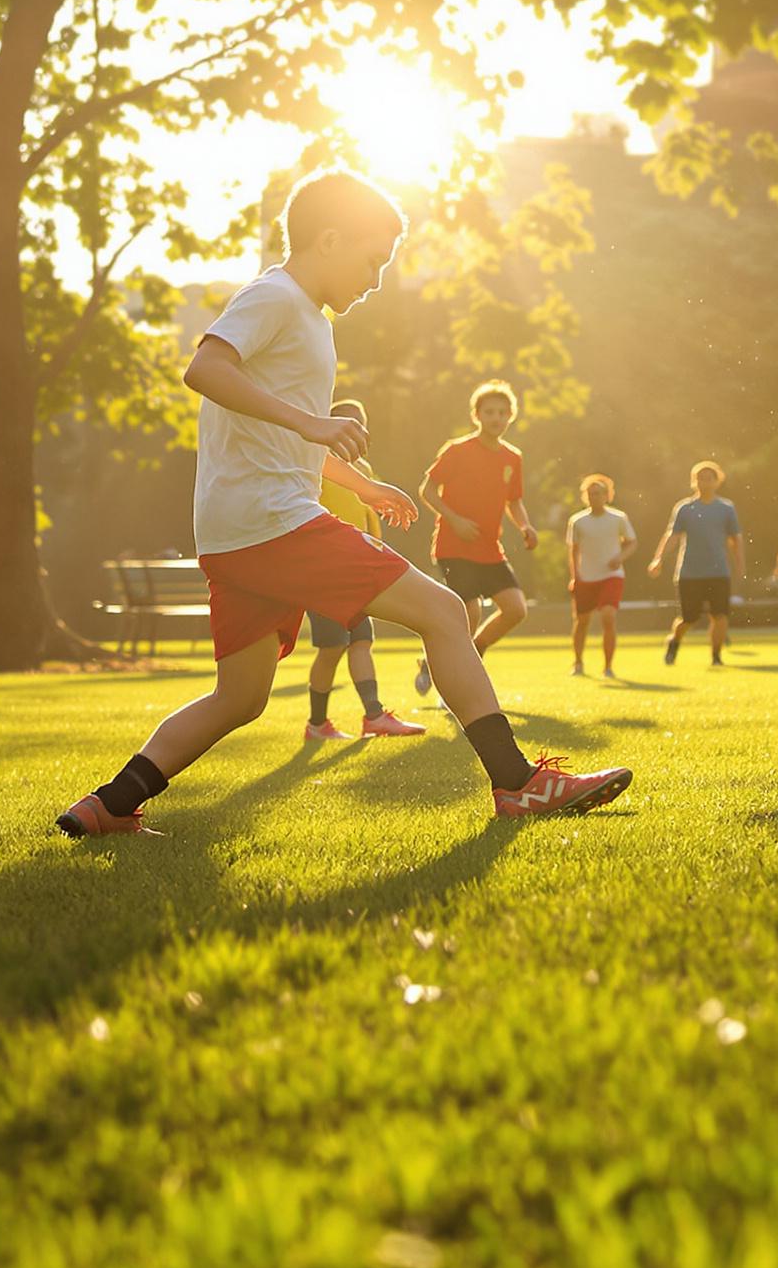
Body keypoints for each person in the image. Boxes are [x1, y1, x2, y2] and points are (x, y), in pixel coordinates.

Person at [57, 169, 630, 836]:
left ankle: (107, 804)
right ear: (328, 238)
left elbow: (277, 434)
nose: (378, 278)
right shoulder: (276, 296)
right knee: (445, 612)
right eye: (373, 259)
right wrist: (312, 423)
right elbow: (204, 369)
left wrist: (361, 485)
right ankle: (519, 783)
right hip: (273, 524)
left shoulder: (307, 319)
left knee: (239, 697)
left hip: (238, 532)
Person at [302, 398, 427, 739]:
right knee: (332, 646)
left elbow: (369, 520)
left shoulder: (366, 472)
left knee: (360, 642)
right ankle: (316, 724)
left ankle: (374, 716)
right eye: (346, 422)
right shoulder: (313, 463)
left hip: (356, 570)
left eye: (360, 423)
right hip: (323, 570)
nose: (354, 429)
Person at [414, 381, 537, 698]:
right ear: (477, 415)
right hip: (453, 547)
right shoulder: (457, 450)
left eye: (502, 412)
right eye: (489, 412)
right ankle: (448, 680)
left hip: (489, 549)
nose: (496, 418)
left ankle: (469, 652)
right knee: (468, 612)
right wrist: (454, 519)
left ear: (511, 416)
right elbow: (426, 490)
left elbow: (514, 501)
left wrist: (525, 526)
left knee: (515, 609)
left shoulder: (514, 458)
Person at [649, 461, 743, 665]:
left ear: (717, 482)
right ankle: (674, 641)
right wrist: (658, 559)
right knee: (688, 619)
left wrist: (740, 563)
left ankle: (716, 657)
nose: (705, 482)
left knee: (720, 616)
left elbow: (735, 538)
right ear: (694, 481)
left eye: (709, 478)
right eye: (701, 478)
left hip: (718, 571)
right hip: (689, 573)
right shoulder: (685, 508)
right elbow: (672, 536)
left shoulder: (726, 508)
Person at [566, 473, 638, 677]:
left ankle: (608, 667)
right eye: (590, 494)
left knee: (608, 616)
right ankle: (578, 663)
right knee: (581, 622)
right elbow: (573, 550)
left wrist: (620, 557)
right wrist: (574, 576)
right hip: (585, 577)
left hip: (611, 575)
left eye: (598, 493)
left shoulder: (618, 518)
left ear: (607, 495)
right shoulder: (577, 521)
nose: (594, 497)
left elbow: (632, 542)